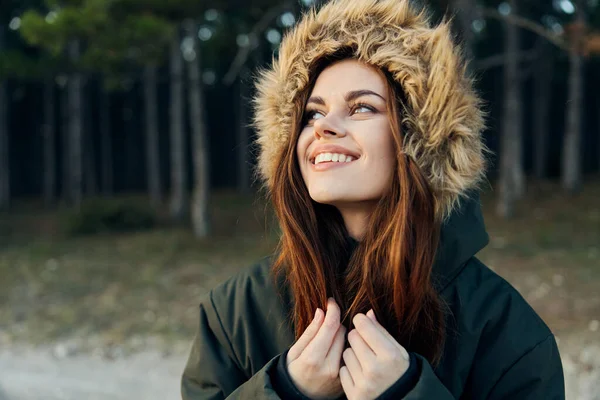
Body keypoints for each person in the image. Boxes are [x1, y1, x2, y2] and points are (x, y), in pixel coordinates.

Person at [181, 0, 565, 398]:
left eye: (362, 107)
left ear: (421, 138)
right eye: (312, 113)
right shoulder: (235, 312)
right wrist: (283, 391)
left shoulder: (505, 331)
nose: (324, 127)